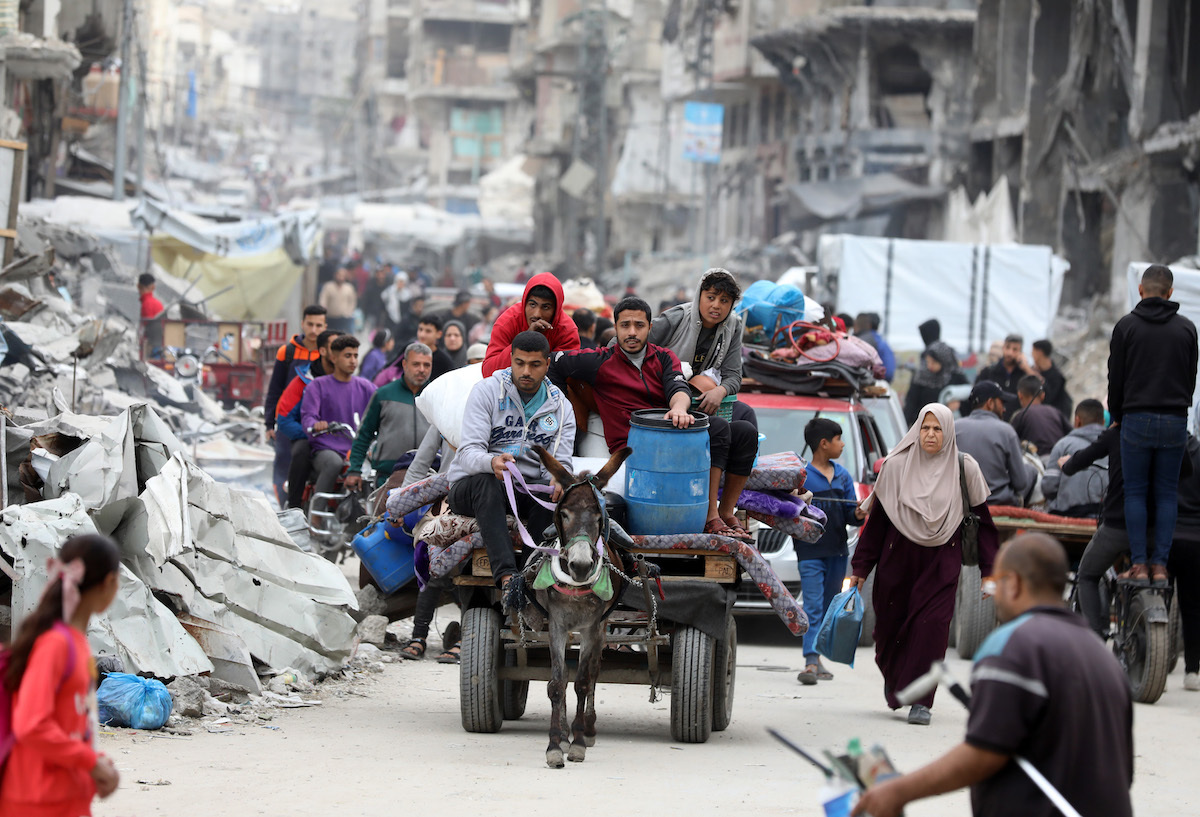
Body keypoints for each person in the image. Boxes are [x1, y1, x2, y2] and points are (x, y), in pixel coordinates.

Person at [853, 534, 1133, 817]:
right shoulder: (1101, 655)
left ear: (1014, 584)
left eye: (995, 583)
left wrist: (898, 790)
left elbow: (984, 752)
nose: (994, 595)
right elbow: (1124, 770)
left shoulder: (1012, 645)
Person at [549, 296, 758, 541]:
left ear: (650, 328)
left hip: (670, 436)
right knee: (721, 427)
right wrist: (563, 404)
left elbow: (677, 387)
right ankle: (710, 515)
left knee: (744, 431)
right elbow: (553, 362)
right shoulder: (599, 361)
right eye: (625, 325)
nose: (632, 332)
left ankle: (724, 511)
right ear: (615, 328)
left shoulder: (664, 357)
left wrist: (679, 409)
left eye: (639, 325)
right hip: (634, 448)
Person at [849, 403, 998, 725]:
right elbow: (877, 524)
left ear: (948, 432)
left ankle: (921, 701)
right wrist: (860, 569)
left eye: (938, 428)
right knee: (890, 630)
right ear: (917, 429)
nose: (931, 434)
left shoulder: (965, 469)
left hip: (941, 560)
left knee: (931, 629)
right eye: (925, 428)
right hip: (896, 561)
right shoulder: (895, 466)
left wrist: (990, 573)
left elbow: (984, 525)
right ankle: (898, 681)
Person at [1, 534, 122, 817]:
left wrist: (95, 764)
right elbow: (31, 724)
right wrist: (90, 762)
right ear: (109, 583)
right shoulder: (56, 644)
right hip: (37, 800)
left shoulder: (76, 643)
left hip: (64, 797)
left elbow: (72, 724)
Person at [446, 331, 576, 590]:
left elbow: (561, 461)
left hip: (523, 490)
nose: (526, 371)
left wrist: (559, 478)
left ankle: (529, 580)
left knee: (551, 495)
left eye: (535, 364)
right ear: (511, 360)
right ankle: (507, 577)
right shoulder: (486, 392)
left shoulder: (561, 407)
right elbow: (468, 453)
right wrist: (492, 463)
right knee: (486, 482)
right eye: (520, 363)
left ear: (547, 364)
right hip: (473, 487)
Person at [1108, 263, 1198, 581]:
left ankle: (1139, 564)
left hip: (1135, 418)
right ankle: (1160, 565)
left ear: (1141, 291)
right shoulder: (1187, 329)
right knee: (1166, 493)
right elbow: (1190, 380)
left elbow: (1115, 379)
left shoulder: (1126, 327)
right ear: (1171, 293)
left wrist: (1117, 415)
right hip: (1174, 419)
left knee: (1135, 492)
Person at [796, 418, 865, 686]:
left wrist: (859, 511)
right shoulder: (801, 475)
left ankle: (819, 658)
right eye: (839, 439)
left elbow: (851, 515)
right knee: (812, 606)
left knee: (828, 608)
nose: (842, 444)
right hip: (810, 552)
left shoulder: (843, 475)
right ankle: (810, 661)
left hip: (837, 552)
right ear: (824, 444)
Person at [647, 268, 747, 419]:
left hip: (700, 402)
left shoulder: (733, 326)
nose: (716, 305)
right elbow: (630, 341)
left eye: (724, 300)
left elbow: (733, 375)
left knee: (746, 415)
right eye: (711, 297)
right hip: (662, 398)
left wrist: (720, 391)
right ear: (699, 296)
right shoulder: (676, 318)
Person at [345, 342, 433, 493]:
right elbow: (364, 435)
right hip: (387, 477)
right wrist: (354, 470)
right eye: (416, 364)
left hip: (429, 476)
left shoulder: (436, 396)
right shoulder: (383, 394)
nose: (422, 370)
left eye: (427, 365)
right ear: (404, 364)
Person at [265, 305, 328, 507]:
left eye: (319, 325)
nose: (314, 330)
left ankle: (304, 508)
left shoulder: (327, 354)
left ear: (325, 326)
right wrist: (268, 424)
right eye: (310, 324)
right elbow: (275, 389)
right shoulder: (288, 352)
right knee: (283, 463)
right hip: (288, 422)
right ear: (302, 324)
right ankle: (284, 508)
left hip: (316, 423)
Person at [301, 336, 377, 498]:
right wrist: (316, 424)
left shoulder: (366, 386)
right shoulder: (318, 385)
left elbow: (384, 405)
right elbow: (308, 417)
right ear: (333, 358)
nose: (353, 361)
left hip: (360, 448)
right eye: (347, 356)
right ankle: (317, 514)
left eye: (356, 356)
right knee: (333, 463)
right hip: (327, 448)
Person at [277, 329, 342, 509]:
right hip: (309, 438)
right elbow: (283, 420)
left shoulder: (351, 383)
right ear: (322, 351)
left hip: (342, 439)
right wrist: (311, 432)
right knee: (301, 451)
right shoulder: (303, 381)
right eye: (335, 347)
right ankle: (295, 506)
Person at [955, 381, 1035, 506]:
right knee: (1031, 470)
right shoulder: (1006, 431)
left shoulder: (955, 427)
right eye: (1002, 403)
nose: (1004, 409)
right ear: (990, 403)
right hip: (998, 501)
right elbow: (1021, 483)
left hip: (962, 501)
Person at [483, 273, 580, 377]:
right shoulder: (508, 321)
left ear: (556, 310)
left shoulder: (566, 330)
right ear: (524, 302)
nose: (537, 314)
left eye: (546, 307)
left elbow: (568, 375)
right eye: (532, 305)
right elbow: (489, 371)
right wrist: (524, 339)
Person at [1041, 399, 1107, 518]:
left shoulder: (1063, 445)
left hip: (1068, 515)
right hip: (1104, 516)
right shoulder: (1115, 446)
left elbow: (1049, 487)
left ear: (1077, 421)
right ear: (1103, 422)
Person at [903, 341, 967, 425]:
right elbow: (910, 404)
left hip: (949, 425)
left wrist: (959, 404)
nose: (930, 365)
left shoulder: (956, 377)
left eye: (934, 362)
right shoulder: (921, 377)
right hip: (923, 425)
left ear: (943, 361)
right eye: (928, 362)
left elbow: (968, 398)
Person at [1010, 375, 1072, 458]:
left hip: (1038, 462)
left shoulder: (1020, 416)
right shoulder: (1055, 411)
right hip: (1062, 459)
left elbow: (1009, 441)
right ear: (1043, 395)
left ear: (1020, 395)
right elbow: (1071, 433)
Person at [975, 334, 1033, 418]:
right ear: (1003, 348)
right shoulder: (989, 372)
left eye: (1015, 349)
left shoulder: (1025, 374)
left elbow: (1041, 389)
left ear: (1021, 352)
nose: (1010, 353)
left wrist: (1026, 368)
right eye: (1007, 347)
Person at [1030, 339, 1072, 419]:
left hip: (1056, 417)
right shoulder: (1037, 370)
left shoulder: (1057, 377)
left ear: (1039, 353)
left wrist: (1030, 372)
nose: (1031, 354)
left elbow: (1048, 397)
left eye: (1033, 351)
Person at [853, 312, 896, 381]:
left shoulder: (866, 340)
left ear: (868, 324)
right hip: (885, 379)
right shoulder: (881, 341)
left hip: (877, 379)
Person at [319, 267, 358, 333]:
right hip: (330, 317)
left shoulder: (349, 288)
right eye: (339, 275)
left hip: (343, 319)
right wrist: (323, 310)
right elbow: (323, 300)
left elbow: (352, 302)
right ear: (335, 275)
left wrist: (349, 312)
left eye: (343, 275)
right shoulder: (328, 286)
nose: (340, 277)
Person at [363, 264, 395, 330]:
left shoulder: (389, 285)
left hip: (385, 315)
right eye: (378, 273)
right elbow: (366, 299)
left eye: (382, 273)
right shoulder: (371, 284)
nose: (380, 276)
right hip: (372, 313)